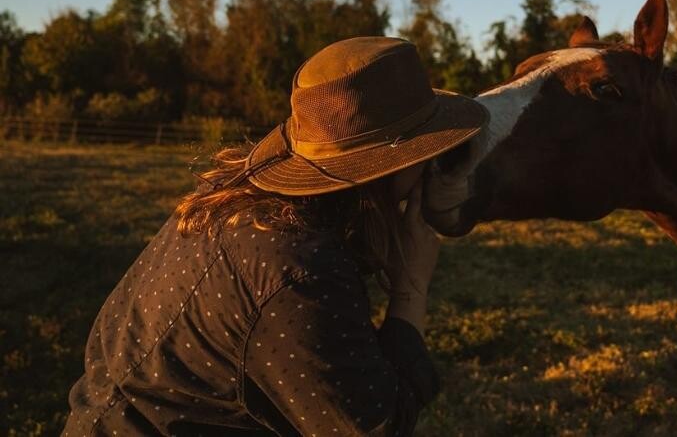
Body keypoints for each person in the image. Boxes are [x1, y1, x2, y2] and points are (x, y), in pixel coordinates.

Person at [63, 37, 489, 436]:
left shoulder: (230, 202)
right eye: (424, 153)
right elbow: (376, 425)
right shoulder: (299, 268)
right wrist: (411, 288)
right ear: (388, 168)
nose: (430, 166)